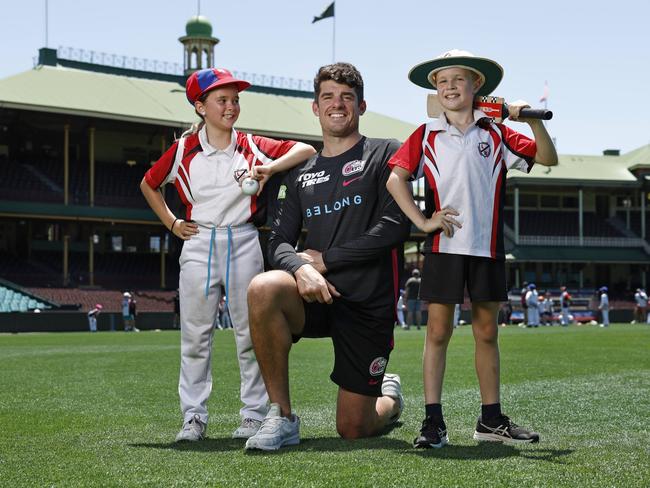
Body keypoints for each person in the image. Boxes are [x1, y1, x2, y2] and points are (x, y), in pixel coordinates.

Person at [386, 50, 557, 448]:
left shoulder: (496, 133)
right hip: (444, 247)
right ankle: (433, 423)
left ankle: (490, 419)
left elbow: (547, 157)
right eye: (442, 81)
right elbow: (396, 179)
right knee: (438, 332)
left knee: (486, 332)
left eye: (458, 80)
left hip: (487, 247)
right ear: (434, 87)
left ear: (476, 85)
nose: (449, 87)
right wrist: (424, 221)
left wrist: (530, 121)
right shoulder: (426, 133)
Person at [140, 67, 316, 442]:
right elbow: (149, 183)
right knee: (195, 336)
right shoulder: (183, 150)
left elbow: (307, 149)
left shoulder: (251, 144)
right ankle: (194, 417)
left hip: (243, 239)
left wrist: (269, 166)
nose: (232, 106)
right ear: (200, 106)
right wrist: (172, 224)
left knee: (249, 335)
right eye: (222, 100)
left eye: (235, 99)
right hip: (199, 242)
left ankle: (252, 416)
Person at [245, 62, 411, 451]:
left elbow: (394, 227)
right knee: (263, 287)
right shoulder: (300, 171)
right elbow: (278, 242)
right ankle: (281, 417)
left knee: (354, 428)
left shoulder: (387, 153)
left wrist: (325, 261)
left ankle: (390, 400)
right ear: (315, 108)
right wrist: (302, 268)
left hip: (368, 305)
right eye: (328, 98)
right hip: (316, 295)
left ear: (362, 105)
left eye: (347, 98)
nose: (338, 105)